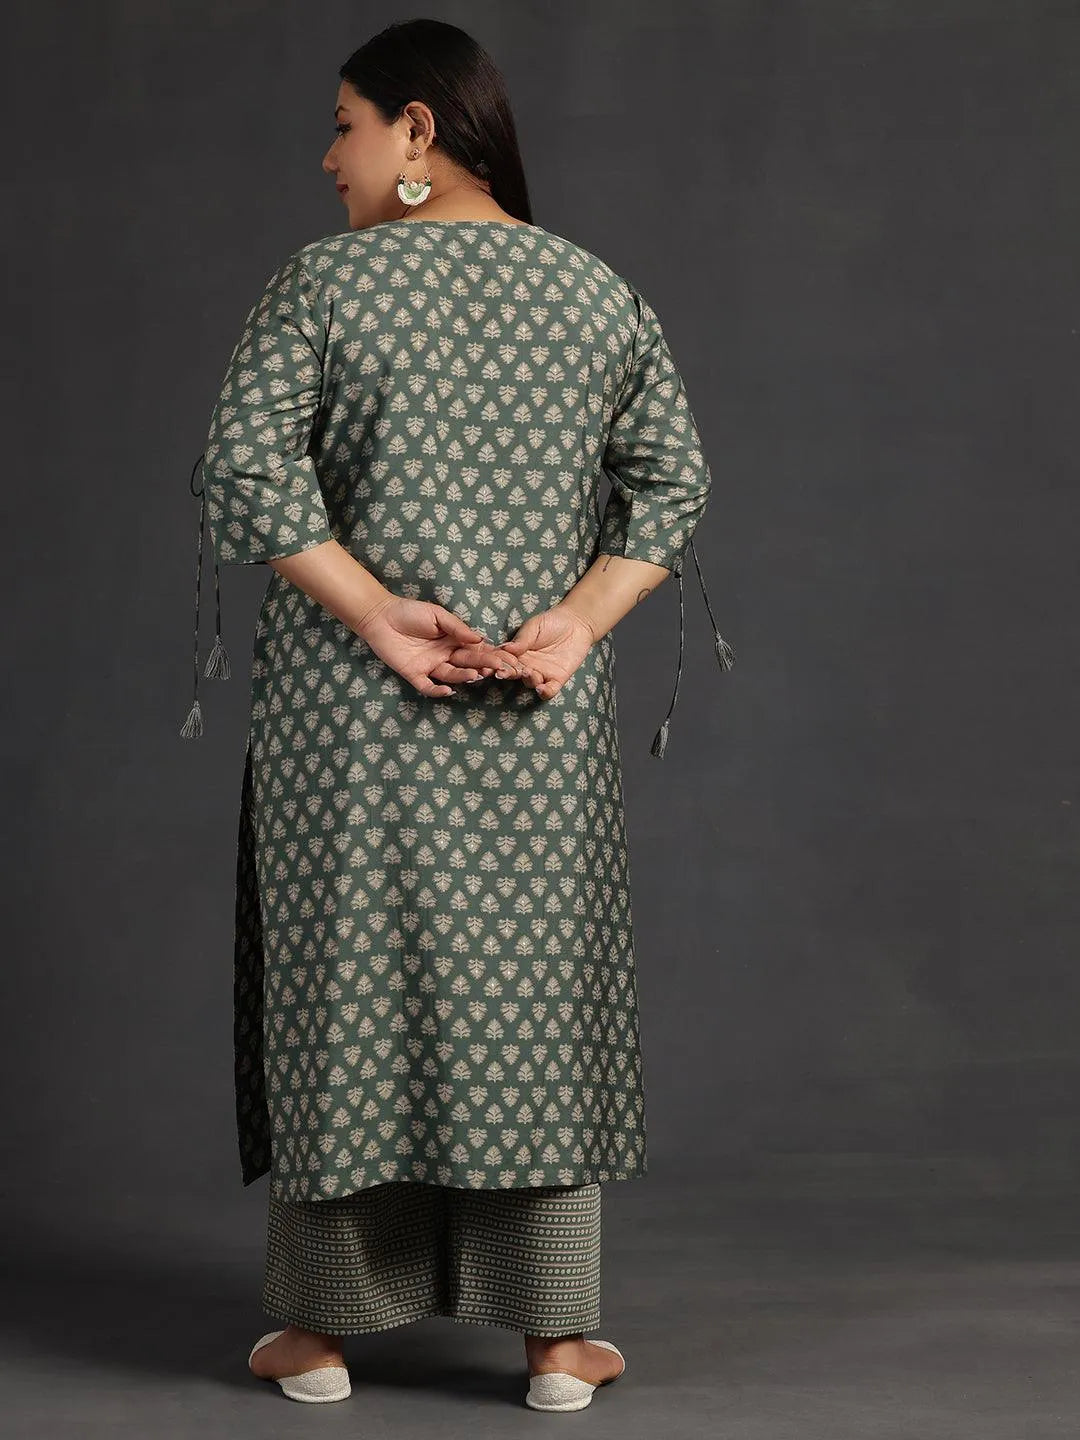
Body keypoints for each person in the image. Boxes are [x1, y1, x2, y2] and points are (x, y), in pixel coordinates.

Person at [180, 16, 734, 1413]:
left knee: (346, 991)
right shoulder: (596, 292)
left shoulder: (324, 285)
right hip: (536, 715)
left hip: (351, 723)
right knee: (534, 1000)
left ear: (418, 130)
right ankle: (557, 1344)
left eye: (346, 123)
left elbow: (243, 466)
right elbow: (672, 481)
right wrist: (577, 624)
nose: (330, 157)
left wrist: (375, 613)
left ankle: (318, 1336)